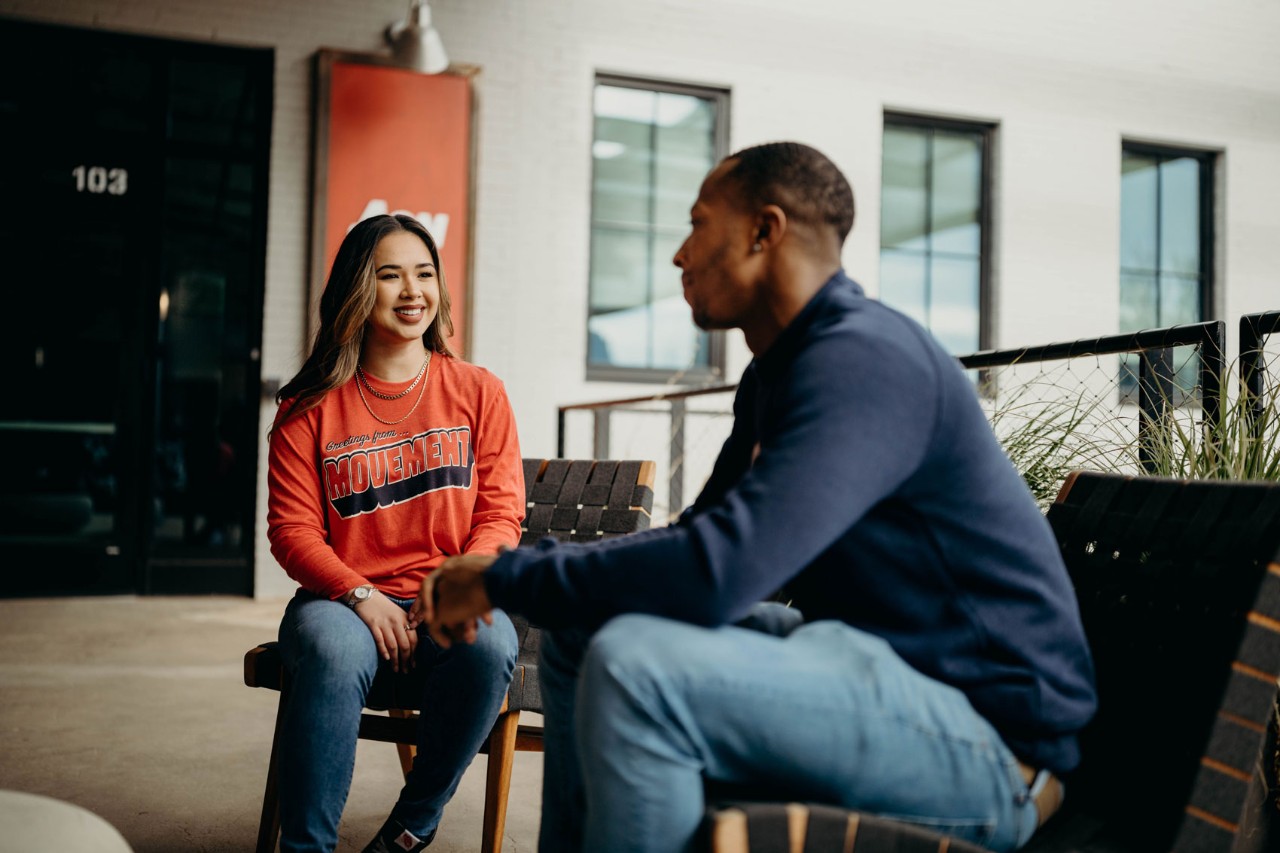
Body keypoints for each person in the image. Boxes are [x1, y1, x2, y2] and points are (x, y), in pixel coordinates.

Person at [421, 142, 1098, 853]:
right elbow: (704, 535)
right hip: (878, 673)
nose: (680, 255)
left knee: (635, 669)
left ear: (763, 230)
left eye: (697, 223)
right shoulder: (781, 371)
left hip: (986, 745)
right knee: (586, 633)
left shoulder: (866, 359)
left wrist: (504, 574)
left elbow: (721, 573)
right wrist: (525, 573)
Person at [267, 213, 525, 853]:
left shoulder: (478, 391)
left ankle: (411, 828)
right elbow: (292, 531)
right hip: (341, 604)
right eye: (390, 275)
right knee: (331, 652)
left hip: (447, 596)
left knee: (489, 645)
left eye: (425, 274)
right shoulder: (309, 409)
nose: (413, 291)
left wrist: (456, 585)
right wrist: (360, 595)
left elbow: (500, 512)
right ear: (359, 288)